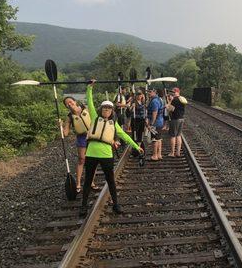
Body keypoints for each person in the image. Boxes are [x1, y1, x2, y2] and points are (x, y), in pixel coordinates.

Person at [80, 81, 143, 217]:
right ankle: (83, 206)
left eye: (109, 109)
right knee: (88, 180)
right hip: (91, 154)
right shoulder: (95, 117)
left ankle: (116, 204)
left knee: (111, 181)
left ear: (112, 111)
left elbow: (124, 136)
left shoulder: (113, 124)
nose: (106, 111)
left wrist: (136, 146)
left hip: (107, 155)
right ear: (101, 110)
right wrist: (90, 87)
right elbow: (89, 101)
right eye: (104, 109)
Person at [62, 96, 99, 193]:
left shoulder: (85, 108)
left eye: (70, 101)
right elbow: (65, 133)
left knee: (92, 160)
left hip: (92, 136)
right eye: (67, 104)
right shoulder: (70, 117)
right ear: (66, 106)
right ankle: (78, 183)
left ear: (74, 101)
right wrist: (60, 126)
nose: (69, 104)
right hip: (81, 138)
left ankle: (91, 182)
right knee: (81, 159)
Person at [166, 87, 187, 157]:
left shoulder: (175, 100)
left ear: (176, 92)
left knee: (172, 136)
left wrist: (169, 103)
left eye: (173, 92)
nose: (172, 93)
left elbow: (170, 109)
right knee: (178, 135)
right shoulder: (182, 99)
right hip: (181, 119)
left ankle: (172, 153)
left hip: (175, 119)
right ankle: (178, 152)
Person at [147, 87, 165, 161]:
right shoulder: (160, 99)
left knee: (154, 139)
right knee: (159, 139)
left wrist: (151, 124)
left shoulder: (154, 101)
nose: (149, 93)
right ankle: (159, 154)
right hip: (160, 121)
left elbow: (154, 113)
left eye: (150, 91)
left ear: (155, 92)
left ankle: (155, 155)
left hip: (155, 123)